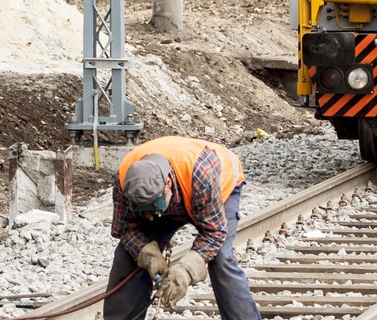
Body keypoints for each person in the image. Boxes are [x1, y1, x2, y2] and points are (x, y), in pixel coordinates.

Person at [103, 136, 261, 320]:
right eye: (141, 210)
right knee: (128, 256)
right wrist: (147, 255)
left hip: (217, 188)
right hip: (177, 194)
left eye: (152, 208)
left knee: (221, 258)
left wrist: (186, 269)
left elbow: (214, 233)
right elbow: (125, 228)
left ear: (167, 184)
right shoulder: (124, 181)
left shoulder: (201, 176)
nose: (148, 217)